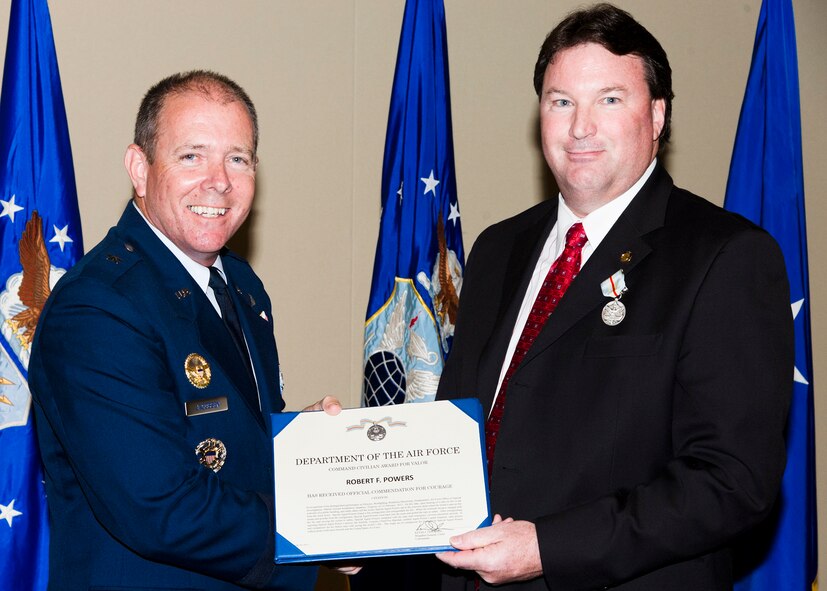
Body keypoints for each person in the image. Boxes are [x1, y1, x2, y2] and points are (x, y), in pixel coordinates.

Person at [434, 4, 792, 590]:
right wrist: (366, 519)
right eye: (560, 101)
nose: (580, 127)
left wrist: (549, 547)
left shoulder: (725, 257)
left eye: (609, 99)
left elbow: (731, 481)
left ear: (656, 115)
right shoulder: (499, 248)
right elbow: (456, 430)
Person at [30, 71, 354, 590]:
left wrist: (299, 441)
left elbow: (223, 437)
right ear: (140, 168)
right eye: (191, 156)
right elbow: (160, 507)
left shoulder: (241, 285)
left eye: (238, 158)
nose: (219, 180)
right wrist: (324, 530)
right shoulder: (97, 307)